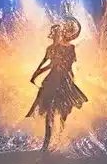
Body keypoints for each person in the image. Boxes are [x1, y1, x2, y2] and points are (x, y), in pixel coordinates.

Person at [26, 14, 88, 152]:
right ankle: (47, 143)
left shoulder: (69, 48)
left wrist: (38, 73)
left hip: (64, 82)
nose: (57, 35)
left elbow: (66, 66)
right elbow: (46, 64)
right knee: (50, 111)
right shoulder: (52, 49)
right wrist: (36, 74)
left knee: (62, 111)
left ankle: (58, 139)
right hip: (53, 80)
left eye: (58, 33)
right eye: (55, 33)